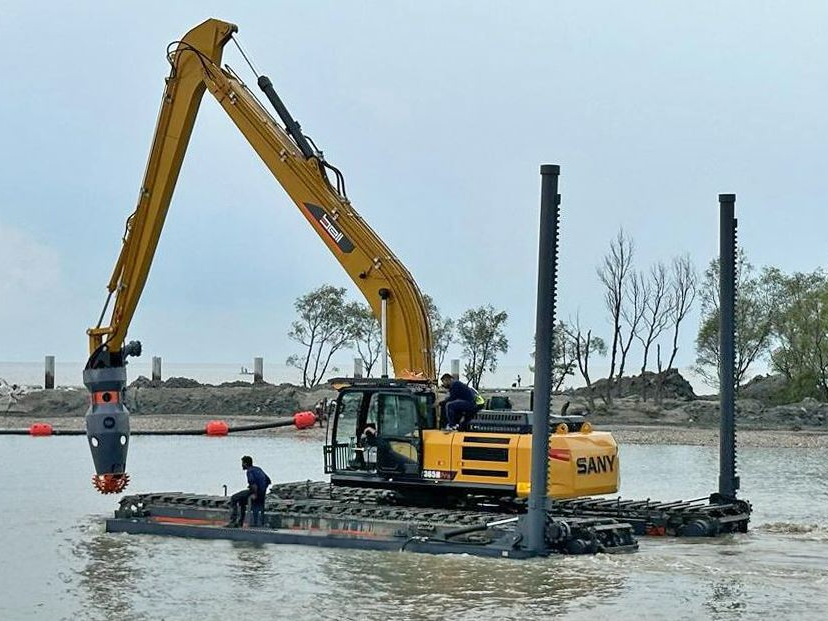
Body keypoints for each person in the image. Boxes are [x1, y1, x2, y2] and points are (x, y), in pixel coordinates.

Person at [226, 455, 271, 528]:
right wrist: (263, 491)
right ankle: (240, 522)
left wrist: (255, 494)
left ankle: (233, 521)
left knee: (234, 498)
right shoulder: (258, 469)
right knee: (242, 501)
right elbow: (268, 481)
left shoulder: (249, 471)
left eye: (242, 463)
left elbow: (254, 485)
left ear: (246, 464)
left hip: (255, 492)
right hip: (261, 493)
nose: (242, 465)